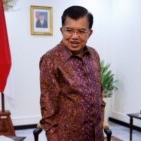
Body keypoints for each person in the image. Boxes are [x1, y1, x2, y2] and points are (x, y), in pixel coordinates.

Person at [39, 5, 105, 141]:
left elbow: (99, 92)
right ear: (61, 30)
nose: (74, 37)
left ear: (90, 33)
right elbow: (48, 106)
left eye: (81, 31)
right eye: (69, 30)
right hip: (68, 136)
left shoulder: (94, 55)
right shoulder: (51, 59)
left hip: (96, 134)